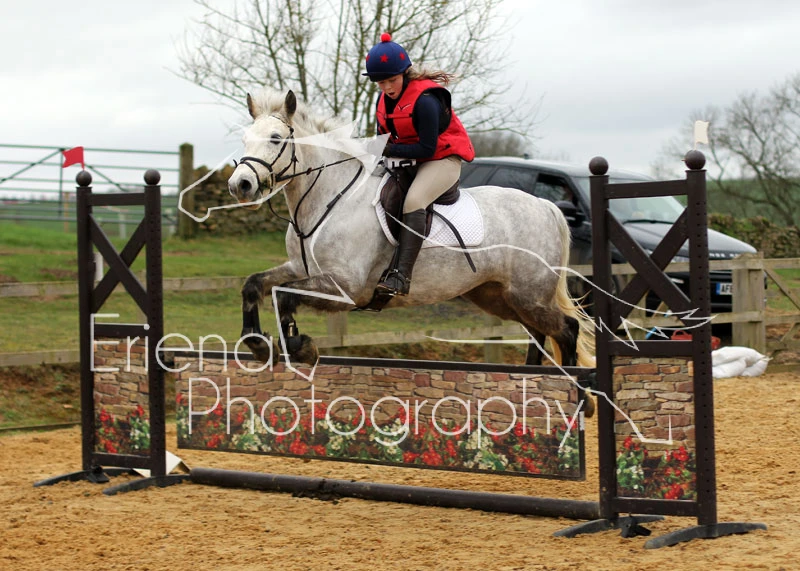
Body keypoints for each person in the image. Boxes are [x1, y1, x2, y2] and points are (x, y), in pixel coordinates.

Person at [363, 33, 475, 296]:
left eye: (392, 80)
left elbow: (427, 148)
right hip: (410, 160)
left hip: (442, 159)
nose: (387, 87)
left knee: (413, 201)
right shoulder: (382, 101)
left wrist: (388, 149)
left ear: (405, 73)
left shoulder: (426, 100)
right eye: (381, 82)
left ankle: (401, 276)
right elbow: (383, 139)